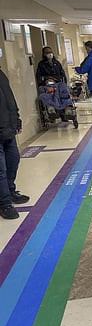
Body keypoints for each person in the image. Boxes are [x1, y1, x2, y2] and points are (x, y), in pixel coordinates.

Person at [0, 68, 30, 220]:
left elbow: (10, 100)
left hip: (8, 129)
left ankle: (10, 191)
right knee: (1, 169)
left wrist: (16, 119)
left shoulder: (1, 75)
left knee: (13, 160)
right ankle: (4, 204)